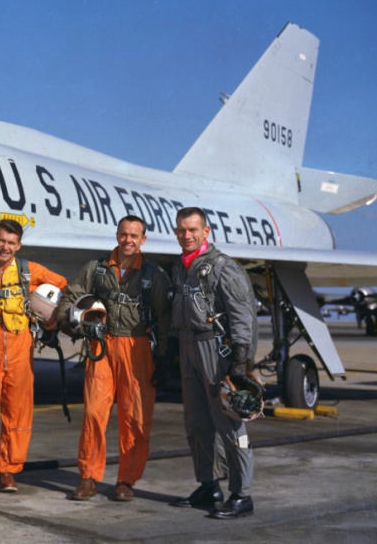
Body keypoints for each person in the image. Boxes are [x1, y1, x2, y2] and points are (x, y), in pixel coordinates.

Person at [51, 215, 171, 502]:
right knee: (94, 414)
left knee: (135, 419)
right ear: (117, 235)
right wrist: (78, 321)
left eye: (134, 236)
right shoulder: (96, 269)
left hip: (138, 348)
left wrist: (165, 360)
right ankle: (88, 477)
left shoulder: (154, 276)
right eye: (123, 234)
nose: (128, 240)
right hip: (101, 346)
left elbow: (165, 320)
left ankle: (126, 481)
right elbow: (69, 298)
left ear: (143, 240)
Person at [0, 219, 67, 494]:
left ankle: (8, 470)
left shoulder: (30, 271)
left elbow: (64, 286)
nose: (5, 247)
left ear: (18, 245)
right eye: (1, 241)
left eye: (11, 243)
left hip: (20, 346)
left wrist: (54, 317)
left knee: (17, 411)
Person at [169, 207, 256, 519]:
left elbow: (242, 314)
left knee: (229, 422)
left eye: (193, 230)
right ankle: (209, 485)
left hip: (215, 349)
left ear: (206, 232)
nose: (187, 235)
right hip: (188, 347)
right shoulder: (182, 266)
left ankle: (242, 494)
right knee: (196, 422)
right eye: (181, 230)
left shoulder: (223, 266)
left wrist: (241, 362)